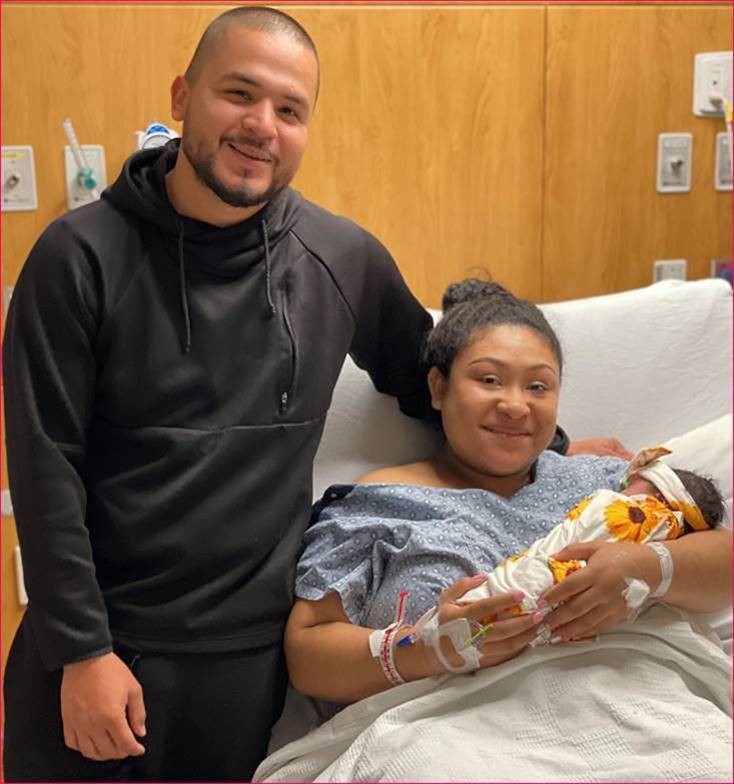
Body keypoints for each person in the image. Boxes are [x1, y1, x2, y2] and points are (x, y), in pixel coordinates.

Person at [2, 8, 622, 781]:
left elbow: (432, 380)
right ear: (182, 96)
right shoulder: (77, 256)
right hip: (100, 650)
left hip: (245, 660)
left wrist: (551, 451)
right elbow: (43, 464)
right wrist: (82, 650)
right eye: (239, 94)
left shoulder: (339, 256)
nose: (262, 125)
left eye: (290, 110)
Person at [284, 280, 732, 705]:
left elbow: (723, 565)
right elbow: (307, 651)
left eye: (538, 386)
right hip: (440, 727)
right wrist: (425, 649)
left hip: (634, 702)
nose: (516, 405)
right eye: (489, 380)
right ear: (439, 388)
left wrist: (647, 568)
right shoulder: (378, 504)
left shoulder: (612, 483)